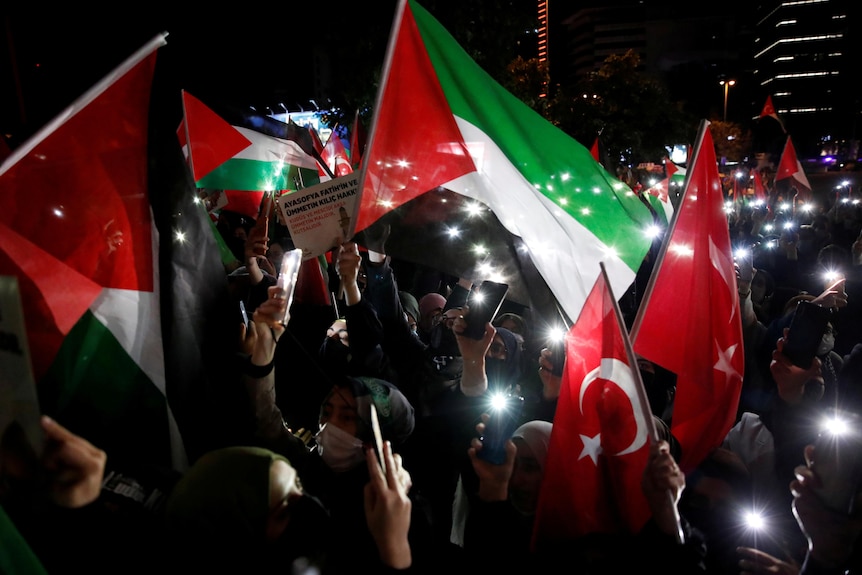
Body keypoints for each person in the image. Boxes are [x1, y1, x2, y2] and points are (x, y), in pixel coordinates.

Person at [238, 284, 439, 573]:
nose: (328, 424)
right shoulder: (304, 471)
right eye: (327, 411)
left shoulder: (400, 512)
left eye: (346, 416)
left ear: (379, 434)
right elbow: (266, 421)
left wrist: (393, 550)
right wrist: (264, 353)